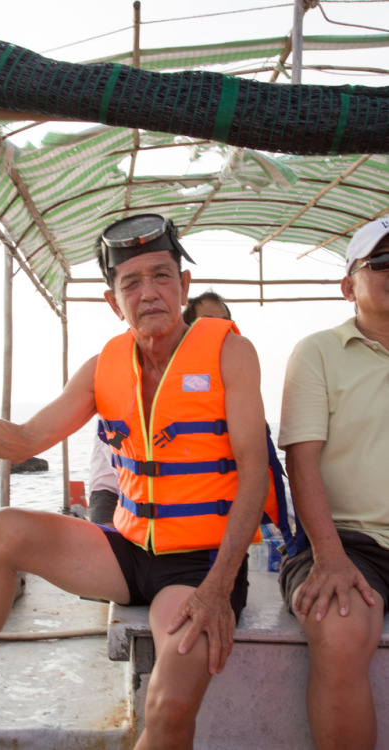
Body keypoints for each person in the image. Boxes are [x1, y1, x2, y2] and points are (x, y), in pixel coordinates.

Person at [0, 212, 272, 750]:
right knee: (3, 530)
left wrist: (217, 589)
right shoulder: (101, 368)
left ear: (183, 285)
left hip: (200, 566)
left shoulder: (232, 353)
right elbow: (21, 442)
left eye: (162, 276)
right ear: (113, 301)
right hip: (128, 550)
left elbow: (254, 472)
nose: (149, 293)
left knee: (166, 705)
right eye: (131, 282)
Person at [278, 217, 389, 750]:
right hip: (347, 542)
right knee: (340, 630)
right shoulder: (317, 351)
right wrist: (329, 556)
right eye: (382, 262)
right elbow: (302, 462)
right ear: (349, 285)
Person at [88, 290, 233, 527]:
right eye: (208, 322)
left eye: (225, 322)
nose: (218, 328)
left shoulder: (221, 374)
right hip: (112, 490)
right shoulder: (111, 373)